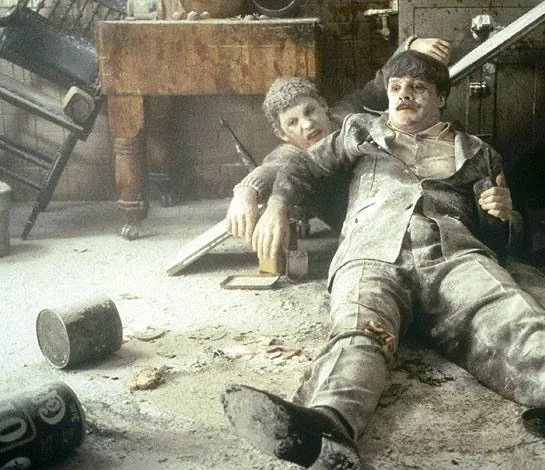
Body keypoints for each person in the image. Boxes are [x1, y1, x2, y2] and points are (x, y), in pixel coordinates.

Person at [221, 50, 545, 469]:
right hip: (371, 253)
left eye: (418, 88)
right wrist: (274, 203)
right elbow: (299, 164)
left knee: (513, 318)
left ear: (441, 97)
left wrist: (500, 216)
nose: (404, 95)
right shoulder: (360, 131)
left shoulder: (478, 153)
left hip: (453, 254)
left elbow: (501, 238)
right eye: (396, 87)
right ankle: (328, 429)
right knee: (359, 334)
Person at [226, 37, 451, 244]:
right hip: (367, 232)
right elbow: (274, 167)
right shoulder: (293, 154)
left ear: (323, 105)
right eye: (293, 122)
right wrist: (246, 191)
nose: (307, 124)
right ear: (283, 134)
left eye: (310, 111)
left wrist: (412, 47)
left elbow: (380, 84)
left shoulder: (345, 114)